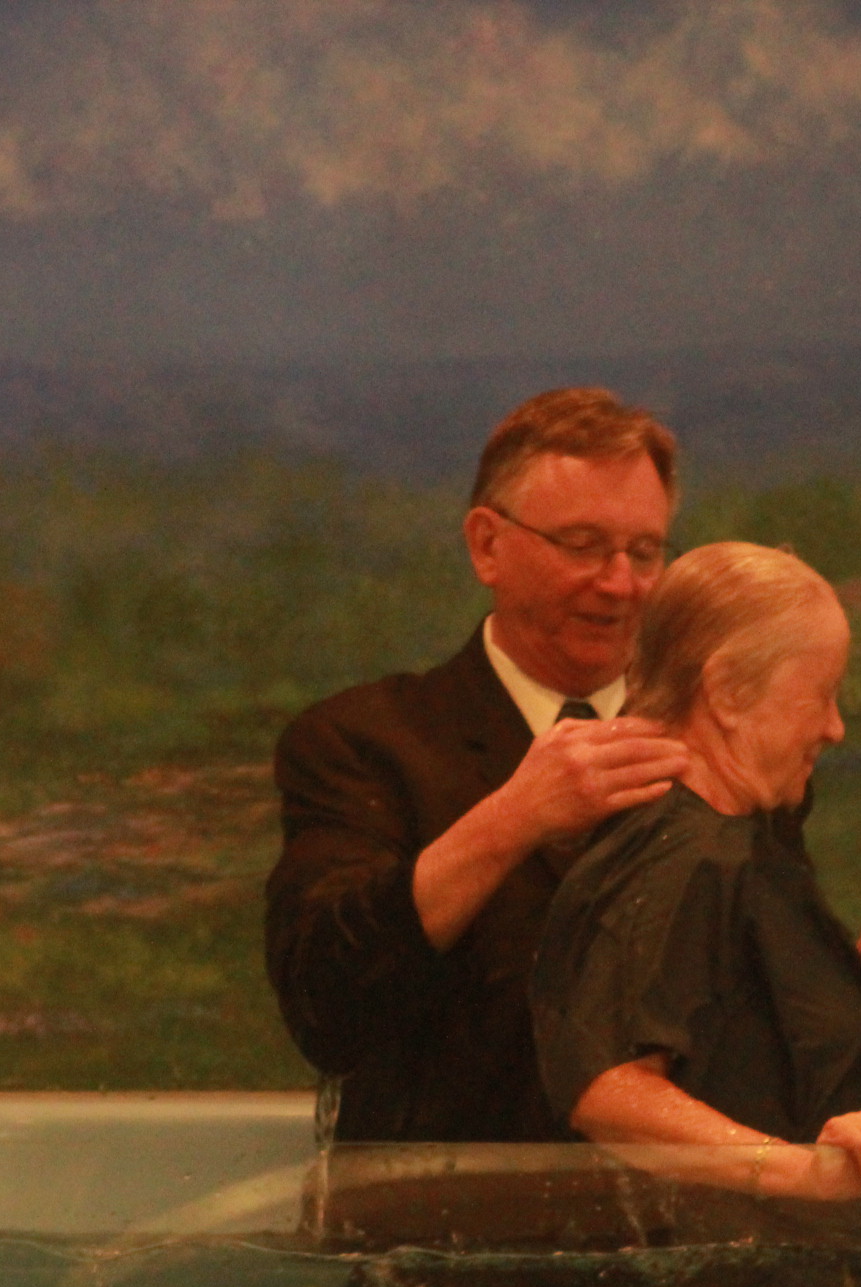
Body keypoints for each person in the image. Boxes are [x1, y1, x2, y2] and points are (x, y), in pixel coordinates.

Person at [532, 542, 861, 1250]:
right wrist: (801, 1174)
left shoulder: (741, 845)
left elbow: (783, 1063)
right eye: (821, 693)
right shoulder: (681, 854)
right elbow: (607, 1090)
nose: (835, 727)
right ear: (727, 691)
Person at [264, 388, 692, 1147]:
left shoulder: (703, 745)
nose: (620, 583)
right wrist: (514, 818)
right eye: (583, 545)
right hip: (436, 1212)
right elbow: (327, 1011)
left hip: (675, 1213)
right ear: (487, 545)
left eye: (644, 552)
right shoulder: (360, 742)